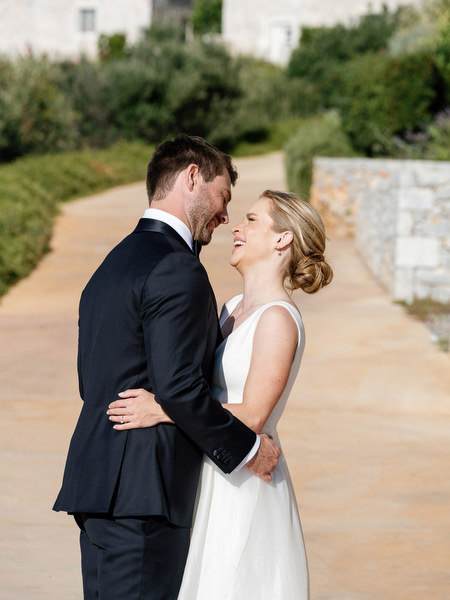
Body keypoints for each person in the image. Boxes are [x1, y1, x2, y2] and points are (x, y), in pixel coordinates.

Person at [53, 135, 281, 600]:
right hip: (144, 493)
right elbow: (178, 388)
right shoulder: (176, 267)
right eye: (223, 197)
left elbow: (89, 380)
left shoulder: (113, 264)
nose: (223, 215)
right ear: (191, 177)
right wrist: (248, 450)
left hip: (100, 487)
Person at [107, 189, 334, 599]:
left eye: (251, 220)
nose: (236, 227)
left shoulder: (278, 319)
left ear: (282, 239)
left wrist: (162, 408)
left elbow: (252, 416)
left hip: (242, 485)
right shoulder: (230, 309)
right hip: (208, 471)